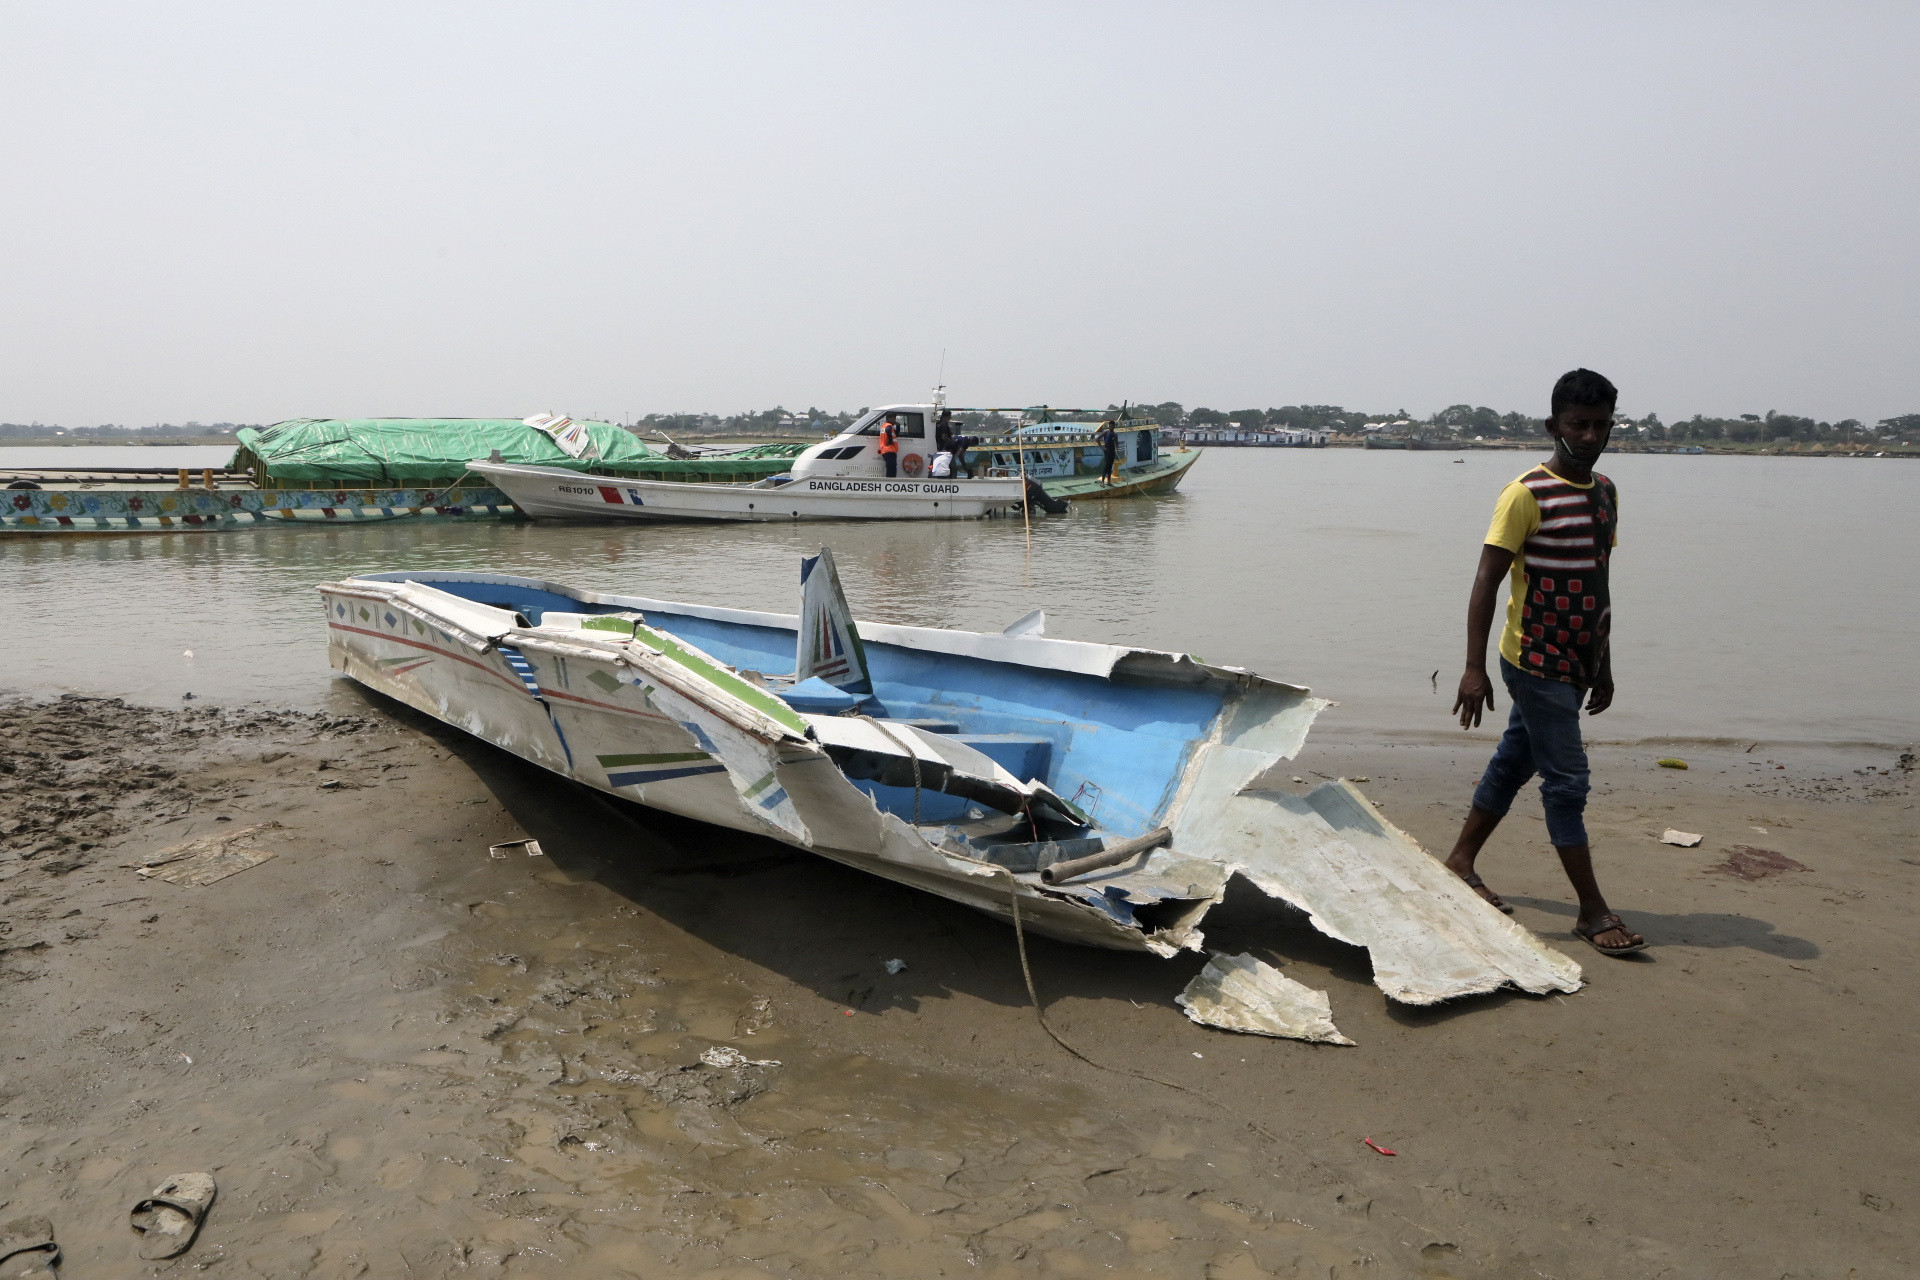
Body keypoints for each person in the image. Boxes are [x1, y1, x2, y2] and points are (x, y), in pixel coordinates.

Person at [1444, 368, 1646, 958]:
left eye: (1600, 426)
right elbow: (1486, 580)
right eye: (1577, 425)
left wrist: (1603, 663)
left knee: (1516, 760)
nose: (1589, 436)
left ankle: (1460, 860)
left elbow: (1599, 582)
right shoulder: (1525, 493)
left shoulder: (1605, 492)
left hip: (1578, 660)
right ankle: (1591, 911)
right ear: (1553, 425)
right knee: (1567, 781)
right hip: (1531, 659)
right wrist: (1473, 669)